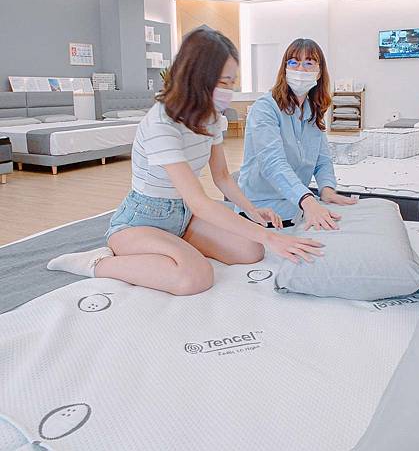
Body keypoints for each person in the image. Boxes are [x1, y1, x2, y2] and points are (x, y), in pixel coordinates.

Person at [47, 28, 323, 295]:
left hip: (184, 216)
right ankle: (97, 263)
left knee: (250, 250)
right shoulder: (161, 123)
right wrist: (270, 236)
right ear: (197, 77)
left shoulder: (211, 118)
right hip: (141, 221)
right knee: (196, 277)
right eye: (223, 82)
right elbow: (199, 202)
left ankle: (173, 246)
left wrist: (252, 211)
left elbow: (222, 177)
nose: (228, 90)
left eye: (231, 82)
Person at [238, 38, 356, 231]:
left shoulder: (312, 111)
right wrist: (308, 201)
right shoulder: (265, 108)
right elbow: (272, 163)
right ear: (285, 69)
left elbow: (322, 160)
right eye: (293, 62)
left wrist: (327, 189)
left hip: (296, 205)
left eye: (309, 63)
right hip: (262, 211)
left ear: (319, 72)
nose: (300, 69)